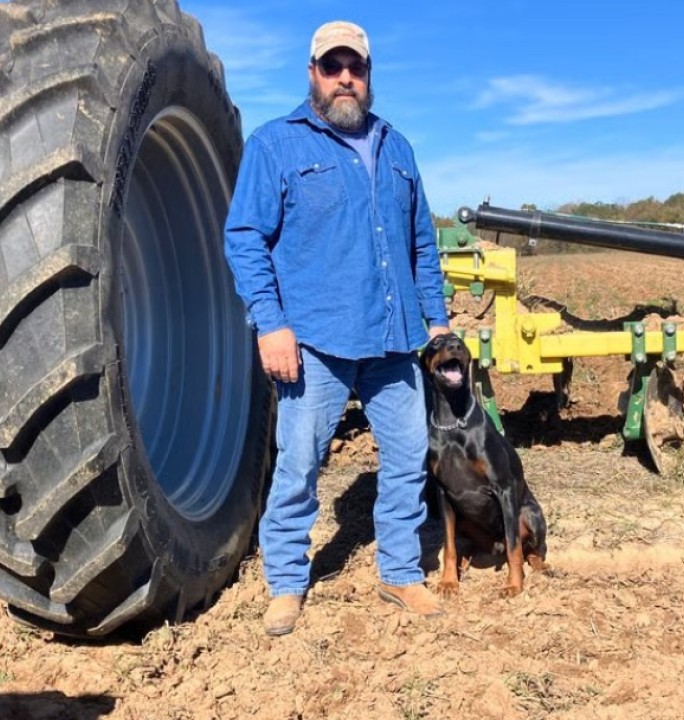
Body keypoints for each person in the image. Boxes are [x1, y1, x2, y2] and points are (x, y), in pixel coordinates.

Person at [224, 20, 451, 637]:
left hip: (395, 338)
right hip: (315, 340)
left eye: (356, 67)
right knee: (299, 463)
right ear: (313, 74)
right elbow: (245, 238)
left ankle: (401, 572)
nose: (345, 77)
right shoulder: (277, 144)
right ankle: (287, 583)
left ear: (369, 76)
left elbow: (420, 244)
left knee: (407, 459)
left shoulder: (397, 147)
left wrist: (437, 321)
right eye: (333, 66)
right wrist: (270, 325)